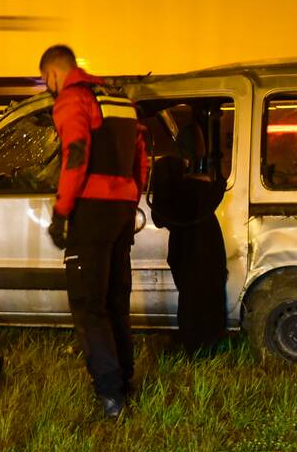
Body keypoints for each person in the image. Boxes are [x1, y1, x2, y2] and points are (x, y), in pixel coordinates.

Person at [40, 45, 148, 418]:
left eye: (46, 81)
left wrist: (61, 211)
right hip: (121, 210)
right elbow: (140, 157)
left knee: (89, 306)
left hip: (91, 210)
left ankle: (111, 397)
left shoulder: (72, 100)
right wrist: (132, 200)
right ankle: (126, 381)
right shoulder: (119, 100)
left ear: (53, 74)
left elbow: (76, 156)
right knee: (116, 300)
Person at [150, 115, 228, 353]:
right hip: (209, 241)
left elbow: (159, 216)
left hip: (186, 244)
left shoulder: (167, 170)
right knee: (210, 294)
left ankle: (193, 345)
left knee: (190, 298)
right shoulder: (208, 180)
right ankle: (211, 343)